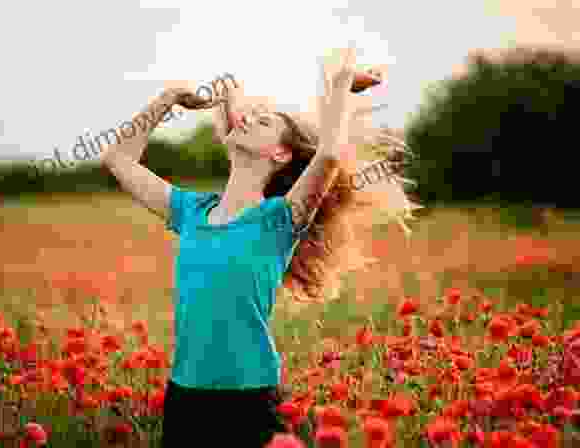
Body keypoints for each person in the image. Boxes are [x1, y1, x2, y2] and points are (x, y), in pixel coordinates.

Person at [102, 47, 420, 448]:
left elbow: (330, 154)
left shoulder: (280, 220)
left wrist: (340, 85)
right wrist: (167, 100)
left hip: (249, 399)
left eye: (264, 121)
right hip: (184, 397)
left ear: (280, 153)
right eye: (251, 115)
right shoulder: (192, 211)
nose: (249, 118)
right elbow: (118, 159)